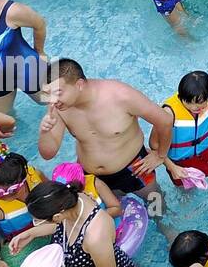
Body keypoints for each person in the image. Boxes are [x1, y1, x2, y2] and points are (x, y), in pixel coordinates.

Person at [37, 58, 170, 221]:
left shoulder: (120, 96)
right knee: (108, 216)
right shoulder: (58, 108)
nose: (52, 100)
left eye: (58, 93)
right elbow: (48, 154)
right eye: (48, 94)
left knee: (155, 204)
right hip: (94, 177)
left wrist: (160, 155)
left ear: (79, 85)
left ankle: (165, 227)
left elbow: (164, 120)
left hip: (135, 168)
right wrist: (45, 131)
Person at [10, 179, 142, 267]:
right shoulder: (70, 200)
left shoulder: (95, 236)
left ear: (57, 216)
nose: (36, 224)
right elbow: (63, 226)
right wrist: (31, 234)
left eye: (38, 221)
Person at [160, 70, 208, 202]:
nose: (196, 107)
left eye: (201, 102)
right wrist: (172, 167)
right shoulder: (168, 113)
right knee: (187, 195)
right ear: (181, 97)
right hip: (179, 162)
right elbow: (155, 146)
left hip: (205, 152)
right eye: (190, 102)